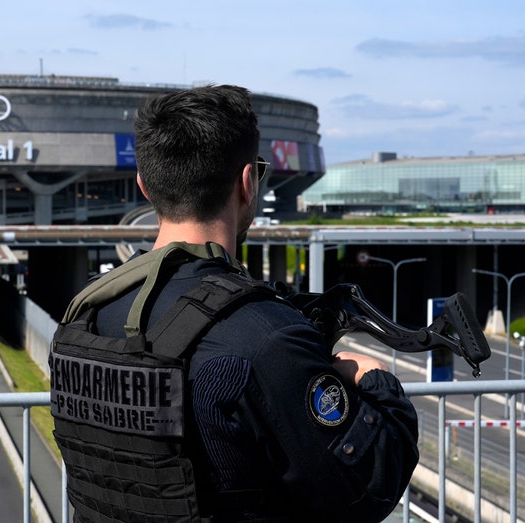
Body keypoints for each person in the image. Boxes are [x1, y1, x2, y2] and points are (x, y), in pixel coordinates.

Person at [51, 84, 418, 522]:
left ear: (144, 187)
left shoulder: (84, 316)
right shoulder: (265, 337)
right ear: (247, 183)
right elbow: (369, 488)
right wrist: (375, 380)